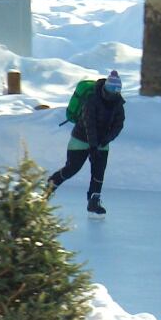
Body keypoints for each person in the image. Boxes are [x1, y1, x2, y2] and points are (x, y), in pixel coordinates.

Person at [46, 70, 125, 218]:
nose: (113, 93)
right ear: (105, 88)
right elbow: (89, 124)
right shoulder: (92, 100)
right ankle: (50, 185)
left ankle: (94, 202)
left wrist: (106, 140)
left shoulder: (118, 104)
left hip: (101, 142)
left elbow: (118, 125)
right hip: (81, 138)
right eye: (111, 89)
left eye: (116, 91)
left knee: (99, 172)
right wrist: (93, 145)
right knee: (72, 168)